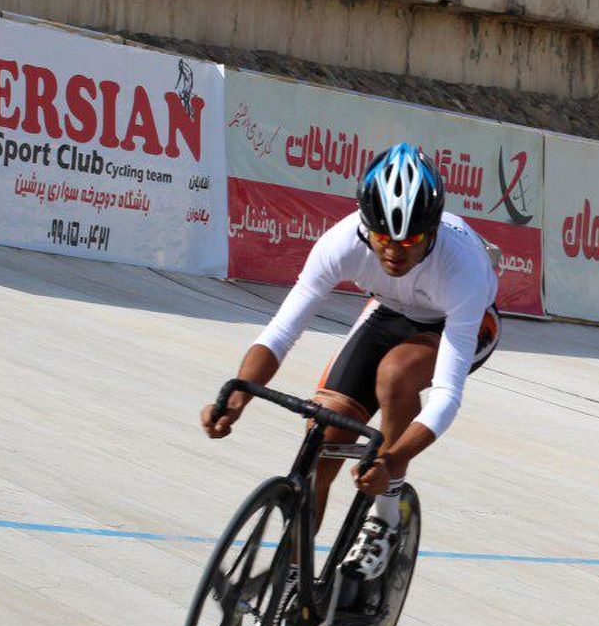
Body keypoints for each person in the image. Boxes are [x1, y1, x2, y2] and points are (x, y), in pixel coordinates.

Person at [202, 141, 500, 594]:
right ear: (366, 226)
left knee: (396, 375)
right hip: (387, 311)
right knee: (324, 439)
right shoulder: (343, 241)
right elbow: (281, 332)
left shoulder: (463, 269)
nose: (395, 252)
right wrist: (239, 396)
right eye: (383, 239)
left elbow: (446, 396)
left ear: (432, 231)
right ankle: (291, 576)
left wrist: (393, 459)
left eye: (411, 240)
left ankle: (386, 512)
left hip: (459, 323)